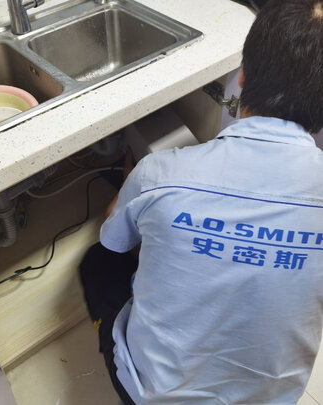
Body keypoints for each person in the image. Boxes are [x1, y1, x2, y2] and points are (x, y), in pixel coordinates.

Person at [79, 0, 323, 403]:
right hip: (270, 398)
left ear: (242, 76)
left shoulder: (158, 174)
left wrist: (131, 185)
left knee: (98, 262)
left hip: (150, 395)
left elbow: (114, 238)